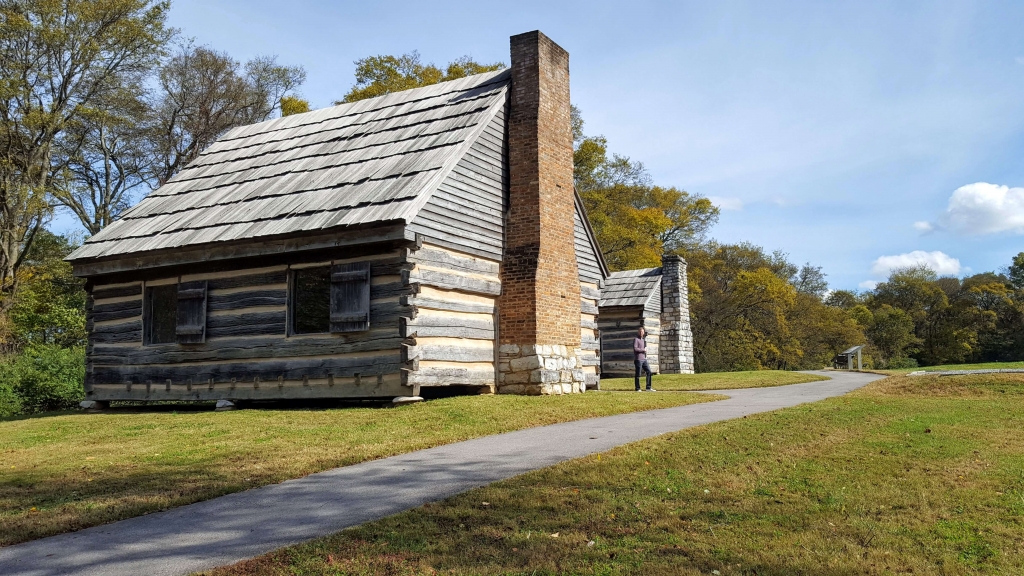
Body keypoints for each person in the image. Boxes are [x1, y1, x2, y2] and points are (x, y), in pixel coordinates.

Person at [633, 327, 655, 392]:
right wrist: (643, 350)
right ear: (638, 332)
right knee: (638, 374)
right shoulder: (636, 339)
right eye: (640, 332)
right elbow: (635, 349)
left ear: (643, 332)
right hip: (638, 359)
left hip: (644, 359)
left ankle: (648, 387)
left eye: (642, 332)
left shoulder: (643, 340)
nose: (641, 333)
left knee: (649, 372)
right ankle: (637, 388)